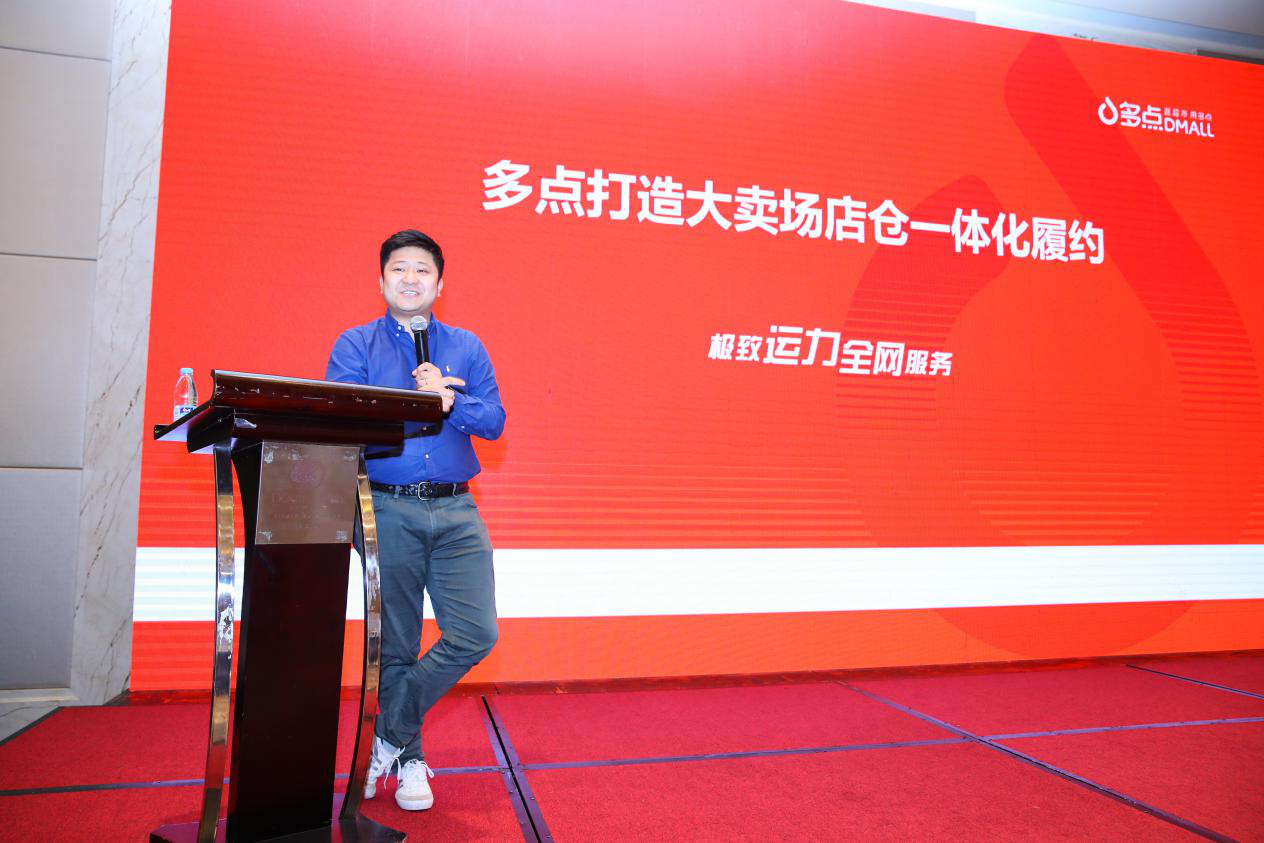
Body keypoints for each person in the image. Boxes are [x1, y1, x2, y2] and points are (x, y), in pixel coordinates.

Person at [326, 229, 504, 811]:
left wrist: (453, 402)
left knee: (476, 633)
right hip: (387, 507)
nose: (410, 278)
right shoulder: (355, 345)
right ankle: (410, 764)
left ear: (439, 283)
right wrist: (417, 401)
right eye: (398, 269)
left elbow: (494, 421)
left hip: (457, 508)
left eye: (422, 270)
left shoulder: (466, 346)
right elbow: (342, 417)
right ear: (381, 281)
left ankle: (385, 734)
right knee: (398, 646)